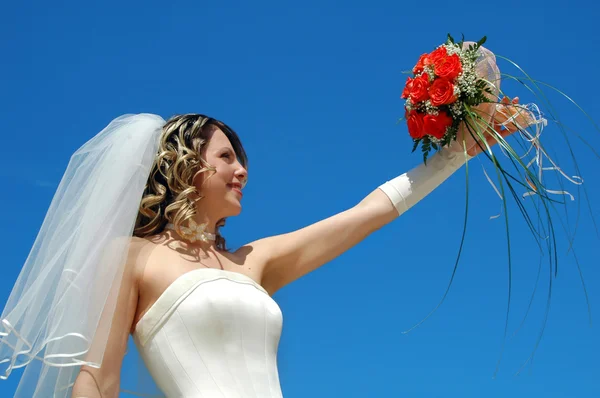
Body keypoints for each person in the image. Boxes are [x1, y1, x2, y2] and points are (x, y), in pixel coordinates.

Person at [0, 102, 522, 398]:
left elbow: (368, 214)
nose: (243, 171)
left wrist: (457, 153)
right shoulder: (133, 256)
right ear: (186, 167)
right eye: (227, 157)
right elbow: (97, 379)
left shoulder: (255, 262)